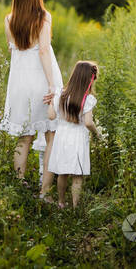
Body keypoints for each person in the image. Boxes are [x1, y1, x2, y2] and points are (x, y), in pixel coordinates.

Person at [0, 0, 63, 186]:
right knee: (50, 134)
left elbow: (13, 51)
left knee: (24, 137)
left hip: (19, 84)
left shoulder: (9, 20)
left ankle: (19, 186)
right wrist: (52, 84)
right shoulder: (43, 17)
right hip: (40, 81)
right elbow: (43, 50)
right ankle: (44, 192)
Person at [45, 61, 100, 208]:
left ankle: (61, 202)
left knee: (62, 173)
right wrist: (97, 133)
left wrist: (51, 103)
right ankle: (75, 207)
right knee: (77, 175)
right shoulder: (87, 99)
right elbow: (88, 122)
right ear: (89, 79)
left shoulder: (60, 94)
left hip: (62, 136)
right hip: (78, 138)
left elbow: (51, 116)